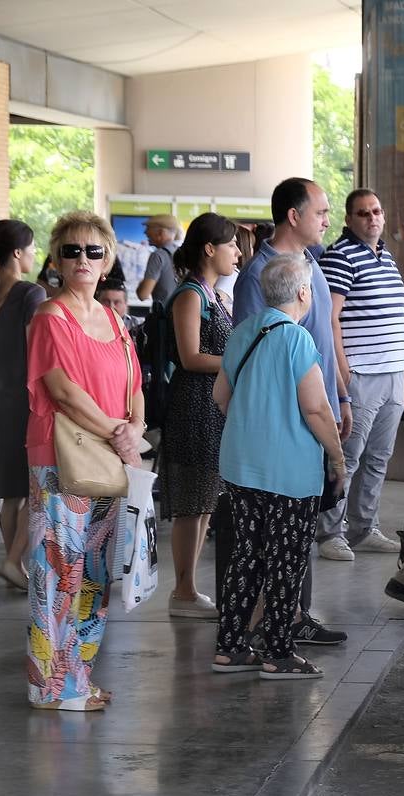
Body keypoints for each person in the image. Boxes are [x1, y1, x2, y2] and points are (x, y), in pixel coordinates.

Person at [26, 211, 145, 710]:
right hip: (62, 458)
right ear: (55, 259)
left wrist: (132, 428)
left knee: (94, 574)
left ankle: (79, 677)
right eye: (71, 250)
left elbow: (134, 386)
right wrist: (120, 433)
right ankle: (51, 686)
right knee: (57, 573)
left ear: (107, 260)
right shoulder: (50, 318)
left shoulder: (115, 319)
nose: (82, 259)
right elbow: (63, 392)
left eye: (93, 251)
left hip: (108, 459)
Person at [212, 253, 346, 679]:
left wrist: (252, 423)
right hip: (289, 471)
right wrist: (338, 457)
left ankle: (230, 648)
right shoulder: (297, 338)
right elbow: (316, 410)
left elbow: (220, 395)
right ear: (304, 292)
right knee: (285, 560)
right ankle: (278, 652)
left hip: (240, 465)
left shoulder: (243, 331)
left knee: (245, 555)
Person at [233, 177, 348, 646]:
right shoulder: (258, 276)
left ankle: (293, 615)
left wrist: (339, 397)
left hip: (314, 409)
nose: (327, 220)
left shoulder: (312, 266)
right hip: (282, 423)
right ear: (294, 216)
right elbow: (247, 357)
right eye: (321, 212)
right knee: (269, 537)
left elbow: (321, 339)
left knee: (300, 527)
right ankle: (265, 626)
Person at [315, 189, 404, 562]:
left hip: (392, 372)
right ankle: (330, 534)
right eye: (363, 213)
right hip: (361, 374)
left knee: (378, 457)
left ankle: (363, 528)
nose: (372, 218)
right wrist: (343, 373)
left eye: (376, 211)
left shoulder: (385, 256)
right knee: (347, 458)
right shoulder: (340, 257)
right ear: (349, 219)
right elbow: (329, 319)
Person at [157, 213, 239, 618]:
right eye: (231, 244)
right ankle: (183, 591)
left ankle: (188, 588)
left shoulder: (212, 294)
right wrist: (237, 361)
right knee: (191, 502)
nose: (237, 252)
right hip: (193, 407)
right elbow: (190, 357)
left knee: (205, 499)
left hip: (211, 407)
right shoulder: (191, 295)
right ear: (210, 248)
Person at [0, 219, 42, 591]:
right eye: (32, 248)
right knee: (35, 486)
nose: (35, 254)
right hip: (25, 398)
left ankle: (13, 564)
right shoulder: (28, 294)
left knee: (10, 491)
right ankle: (12, 562)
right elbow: (37, 351)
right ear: (17, 253)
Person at [137, 213, 180, 305]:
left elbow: (143, 295)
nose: (145, 232)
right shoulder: (183, 253)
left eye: (148, 228)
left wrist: (142, 283)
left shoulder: (158, 256)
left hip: (164, 316)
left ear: (160, 232)